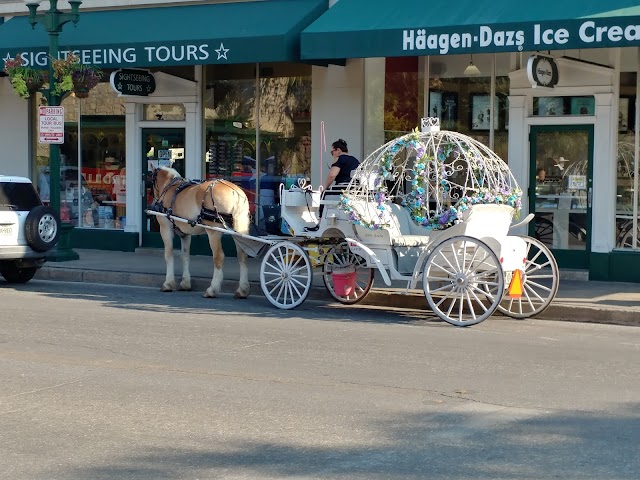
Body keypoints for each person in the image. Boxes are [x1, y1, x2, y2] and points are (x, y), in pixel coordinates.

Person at [305, 139, 360, 231]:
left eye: (332, 152)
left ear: (338, 150)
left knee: (324, 194)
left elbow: (332, 175)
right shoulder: (355, 160)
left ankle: (320, 223)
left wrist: (324, 188)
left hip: (341, 189)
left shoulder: (340, 158)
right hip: (354, 190)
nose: (332, 155)